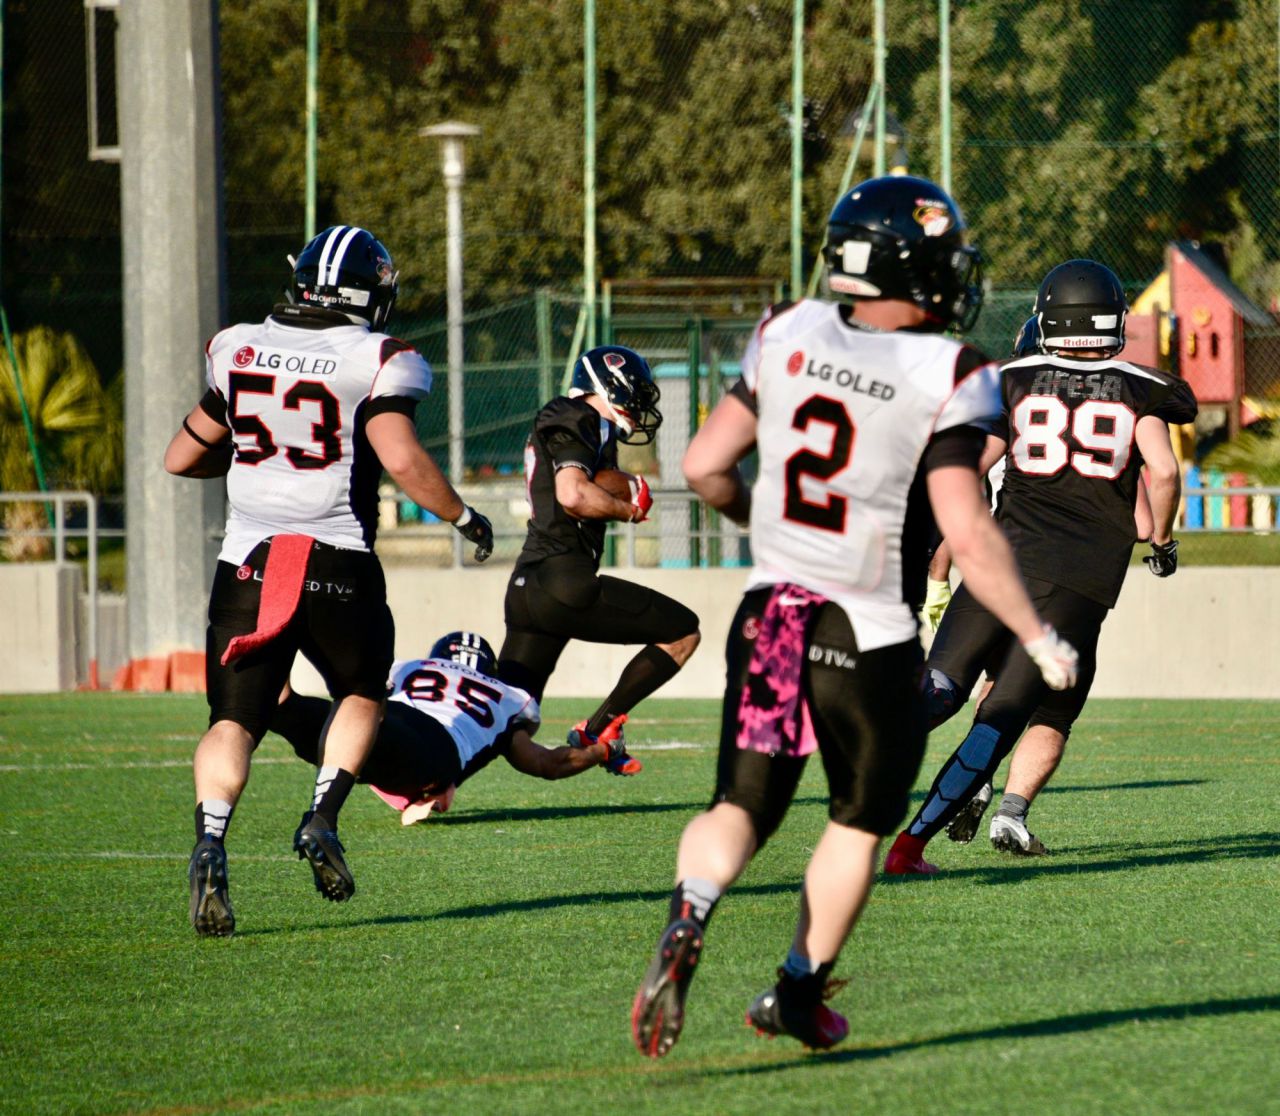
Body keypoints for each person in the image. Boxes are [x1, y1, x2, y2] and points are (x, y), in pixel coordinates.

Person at [630, 176, 1079, 1058]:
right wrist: (1035, 633)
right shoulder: (951, 371)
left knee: (741, 806)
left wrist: (765, 527)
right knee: (856, 823)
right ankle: (796, 991)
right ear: (916, 268)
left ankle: (692, 914)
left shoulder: (785, 332)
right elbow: (966, 523)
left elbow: (706, 462)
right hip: (865, 634)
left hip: (772, 617)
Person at [165, 224, 494, 937]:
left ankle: (212, 840)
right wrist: (464, 516)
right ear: (369, 296)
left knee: (233, 721)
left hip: (248, 561)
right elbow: (401, 458)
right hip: (337, 558)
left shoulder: (237, 345)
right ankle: (322, 816)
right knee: (361, 693)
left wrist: (263, 464)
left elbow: (180, 457)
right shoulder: (378, 358)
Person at [885, 259, 1197, 874]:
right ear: (1114, 316)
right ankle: (907, 849)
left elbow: (967, 465)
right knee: (999, 720)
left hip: (1000, 562)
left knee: (942, 687)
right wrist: (1161, 542)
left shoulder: (1012, 378)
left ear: (1046, 316)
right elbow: (1161, 472)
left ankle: (855, 739)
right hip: (1078, 581)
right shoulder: (1145, 388)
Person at [497, 345, 701, 772]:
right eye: (637, 393)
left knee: (502, 724)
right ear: (611, 384)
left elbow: (585, 478)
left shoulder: (588, 428)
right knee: (682, 632)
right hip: (563, 582)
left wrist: (624, 482)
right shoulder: (577, 414)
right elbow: (573, 494)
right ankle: (601, 728)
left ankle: (424, 777)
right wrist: (628, 509)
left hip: (529, 587)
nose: (642, 404)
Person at [270, 631, 626, 823]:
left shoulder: (410, 666)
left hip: (386, 721)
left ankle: (283, 634)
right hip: (431, 750)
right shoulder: (507, 695)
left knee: (283, 708)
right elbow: (547, 764)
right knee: (377, 742)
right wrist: (601, 750)